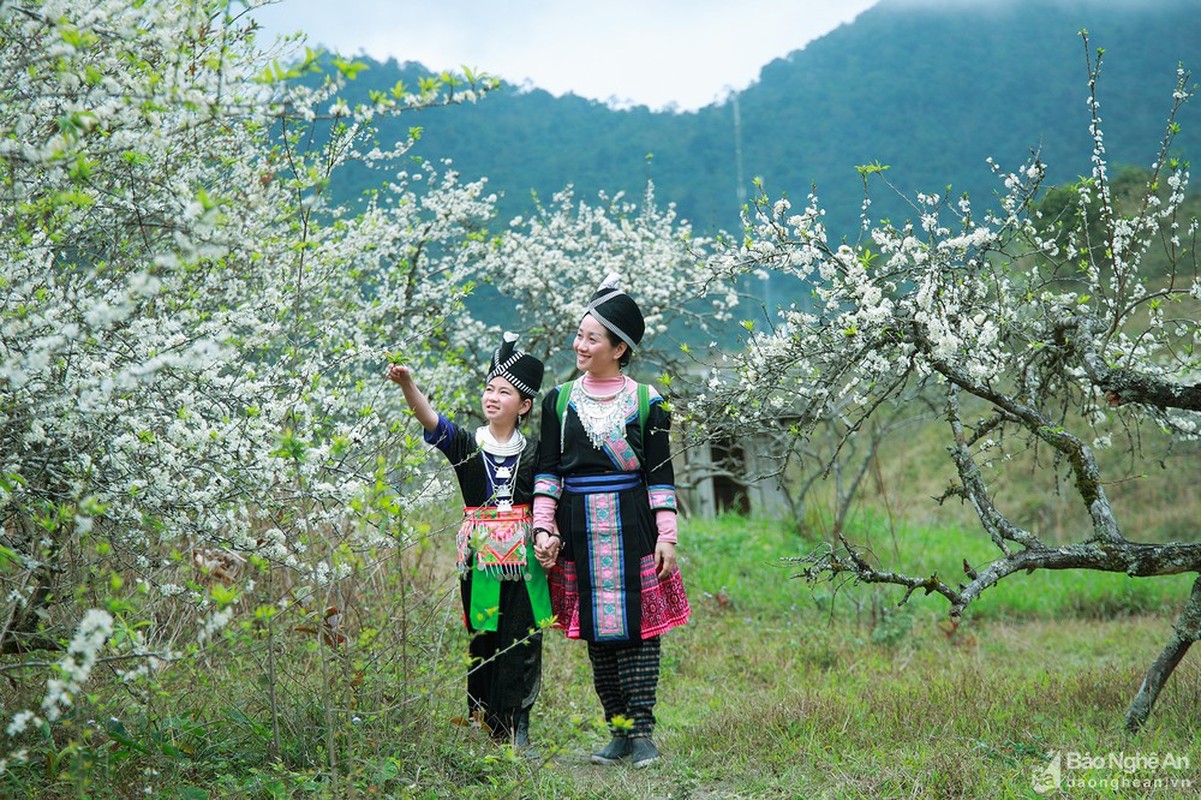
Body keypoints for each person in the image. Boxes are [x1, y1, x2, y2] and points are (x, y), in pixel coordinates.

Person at [531, 273, 691, 769]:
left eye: (591, 337)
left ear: (619, 348)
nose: (579, 344)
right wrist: (544, 527)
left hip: (633, 526)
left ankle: (643, 733)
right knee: (598, 633)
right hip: (578, 529)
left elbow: (660, 475)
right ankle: (617, 732)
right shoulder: (558, 402)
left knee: (640, 629)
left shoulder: (648, 403)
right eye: (580, 335)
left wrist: (667, 536)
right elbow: (548, 472)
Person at [386, 332, 552, 750]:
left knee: (525, 637)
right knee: (485, 634)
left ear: (525, 405)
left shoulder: (536, 453)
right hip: (480, 557)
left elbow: (552, 497)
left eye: (504, 392)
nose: (493, 398)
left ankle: (518, 724)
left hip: (525, 557)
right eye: (489, 389)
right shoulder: (466, 446)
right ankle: (489, 724)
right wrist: (408, 384)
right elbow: (429, 418)